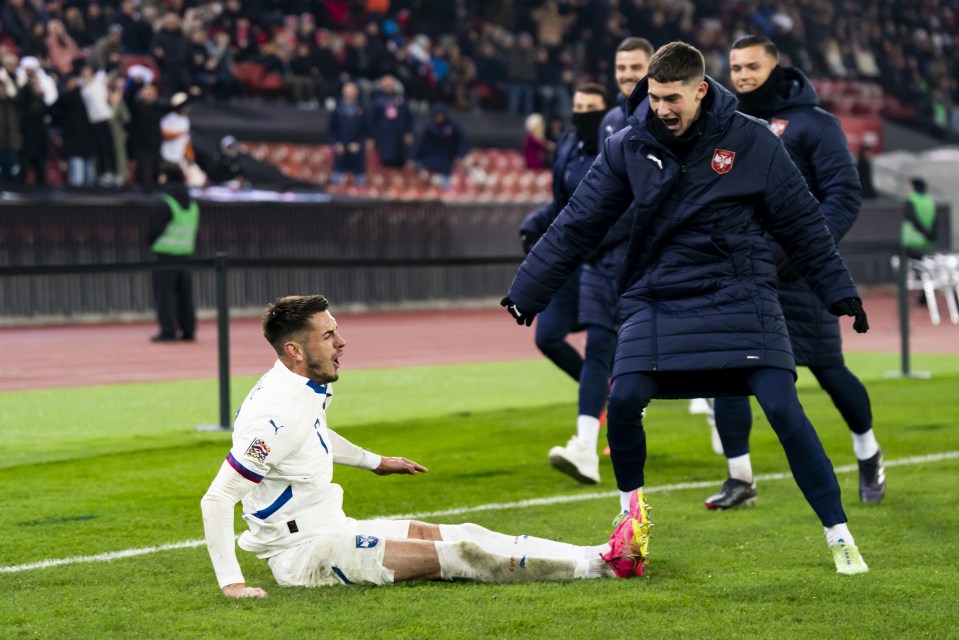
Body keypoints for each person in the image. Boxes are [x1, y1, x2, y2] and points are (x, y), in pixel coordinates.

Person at [500, 42, 871, 575]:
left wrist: (841, 293)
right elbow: (579, 221)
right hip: (659, 292)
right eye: (653, 99)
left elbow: (803, 224)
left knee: (784, 408)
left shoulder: (753, 141)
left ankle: (839, 536)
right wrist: (529, 290)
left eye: (672, 98)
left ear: (700, 90)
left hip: (741, 290)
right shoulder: (629, 145)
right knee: (623, 399)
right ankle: (629, 522)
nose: (661, 109)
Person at [199, 295, 651, 597]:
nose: (342, 342)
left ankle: (597, 552)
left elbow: (311, 436)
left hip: (332, 527)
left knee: (464, 534)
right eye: (328, 336)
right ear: (295, 350)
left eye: (336, 330)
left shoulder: (305, 385)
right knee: (457, 555)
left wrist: (376, 462)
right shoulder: (274, 413)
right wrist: (232, 584)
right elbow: (217, 499)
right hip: (306, 556)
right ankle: (605, 564)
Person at [699, 35, 886, 511]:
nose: (741, 75)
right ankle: (739, 477)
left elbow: (843, 195)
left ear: (776, 68)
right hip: (742, 274)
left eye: (751, 66)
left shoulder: (814, 125)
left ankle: (868, 451)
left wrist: (800, 249)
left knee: (827, 370)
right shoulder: (725, 125)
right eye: (735, 66)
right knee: (728, 370)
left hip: (800, 274)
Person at [148, 162, 199, 342]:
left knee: (165, 295)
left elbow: (154, 231)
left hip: (165, 255)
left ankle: (168, 330)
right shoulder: (192, 202)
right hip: (186, 254)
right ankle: (188, 330)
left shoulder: (165, 201)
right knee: (185, 296)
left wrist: (151, 243)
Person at [411, 102, 468, 190]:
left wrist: (460, 156)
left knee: (444, 185)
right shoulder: (430, 127)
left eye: (440, 115)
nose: (439, 117)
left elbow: (462, 142)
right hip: (430, 161)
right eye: (437, 115)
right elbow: (420, 143)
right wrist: (413, 158)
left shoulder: (453, 127)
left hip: (446, 161)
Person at [328, 81, 370, 186]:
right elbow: (332, 129)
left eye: (352, 89)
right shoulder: (337, 109)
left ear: (357, 92)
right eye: (347, 89)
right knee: (337, 180)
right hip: (341, 150)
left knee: (360, 181)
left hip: (357, 152)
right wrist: (336, 143)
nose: (349, 91)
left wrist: (359, 144)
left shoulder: (364, 109)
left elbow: (367, 130)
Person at [369, 75, 414, 168]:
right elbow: (372, 120)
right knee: (386, 162)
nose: (388, 85)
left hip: (400, 136)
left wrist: (409, 132)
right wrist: (371, 137)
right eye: (386, 83)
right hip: (384, 137)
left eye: (390, 83)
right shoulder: (377, 100)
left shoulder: (401, 99)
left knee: (400, 162)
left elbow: (408, 117)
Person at [901, 177, 937, 261]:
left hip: (912, 242)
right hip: (928, 242)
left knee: (913, 269)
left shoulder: (911, 199)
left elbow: (912, 219)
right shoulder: (929, 200)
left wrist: (923, 232)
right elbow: (935, 220)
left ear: (913, 187)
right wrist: (929, 234)